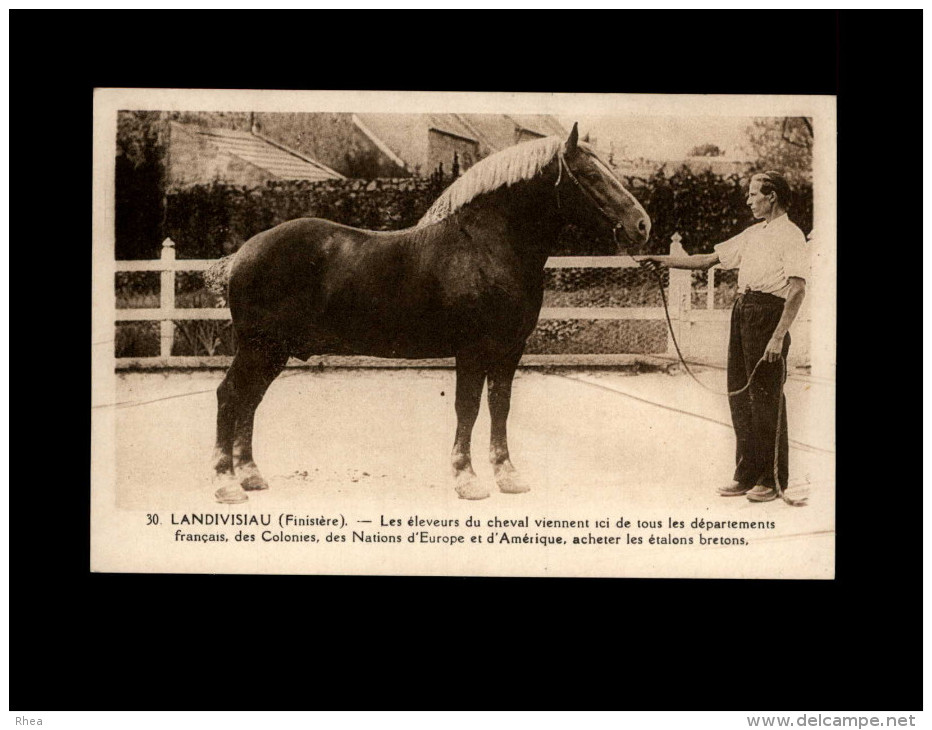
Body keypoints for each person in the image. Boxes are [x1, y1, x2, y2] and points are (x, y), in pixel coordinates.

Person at [637, 171, 808, 503]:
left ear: (771, 197)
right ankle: (745, 475)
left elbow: (798, 289)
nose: (748, 200)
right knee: (739, 396)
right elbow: (706, 260)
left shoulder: (791, 235)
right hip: (743, 313)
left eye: (753, 194)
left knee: (766, 399)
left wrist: (777, 337)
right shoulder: (753, 233)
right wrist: (662, 260)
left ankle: (772, 480)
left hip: (768, 315)